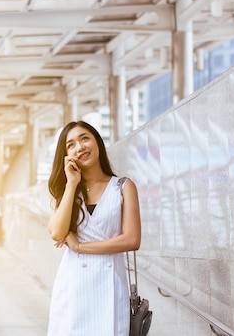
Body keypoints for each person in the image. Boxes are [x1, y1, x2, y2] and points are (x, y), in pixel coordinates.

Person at [46, 120, 141, 336]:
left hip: (110, 286)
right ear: (65, 154)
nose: (79, 147)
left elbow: (131, 240)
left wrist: (79, 246)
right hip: (73, 285)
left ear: (97, 142)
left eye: (84, 138)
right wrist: (71, 184)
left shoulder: (123, 187)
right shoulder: (66, 191)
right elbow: (57, 233)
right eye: (70, 145)